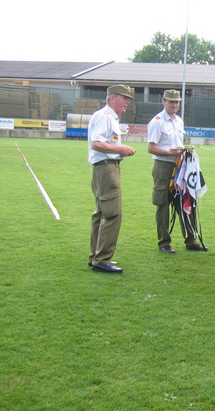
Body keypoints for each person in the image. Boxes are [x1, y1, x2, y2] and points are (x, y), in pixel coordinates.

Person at [147, 89, 207, 254]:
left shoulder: (179, 121)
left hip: (180, 165)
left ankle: (191, 240)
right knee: (163, 203)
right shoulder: (157, 122)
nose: (174, 105)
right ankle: (164, 242)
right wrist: (169, 153)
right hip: (163, 166)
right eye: (171, 101)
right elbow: (151, 148)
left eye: (177, 102)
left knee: (185, 200)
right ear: (163, 101)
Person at [87, 85, 136, 273]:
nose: (127, 102)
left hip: (104, 167)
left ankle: (96, 256)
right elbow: (96, 143)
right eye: (124, 98)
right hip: (106, 168)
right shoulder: (105, 117)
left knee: (101, 213)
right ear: (113, 98)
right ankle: (102, 259)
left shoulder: (108, 116)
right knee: (112, 213)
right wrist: (120, 149)